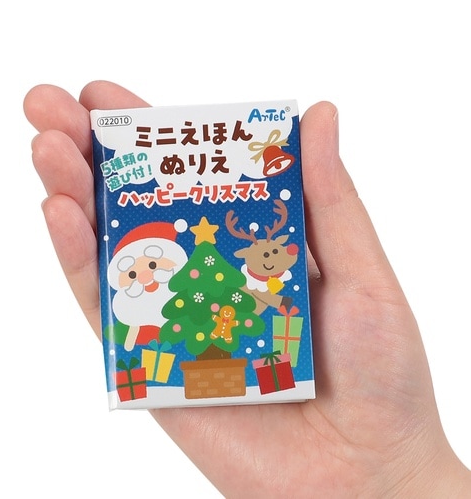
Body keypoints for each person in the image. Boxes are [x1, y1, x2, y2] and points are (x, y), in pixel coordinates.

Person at [23, 81, 471, 497]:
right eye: (136, 272)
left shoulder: (216, 285)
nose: (147, 278)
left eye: (154, 265)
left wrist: (402, 473)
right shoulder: (152, 308)